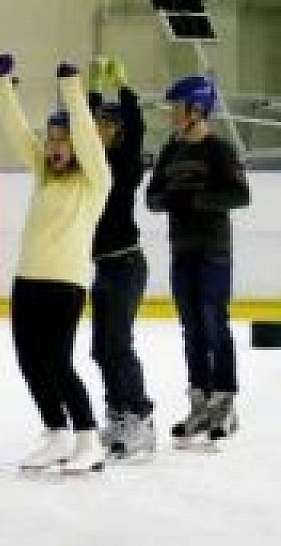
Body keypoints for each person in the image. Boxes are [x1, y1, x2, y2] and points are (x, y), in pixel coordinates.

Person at [0, 55, 111, 473]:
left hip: (65, 283)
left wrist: (72, 87)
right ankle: (57, 433)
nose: (53, 146)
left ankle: (88, 439)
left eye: (62, 140)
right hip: (27, 280)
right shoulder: (45, 175)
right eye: (50, 139)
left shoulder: (94, 180)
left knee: (58, 362)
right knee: (28, 359)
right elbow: (17, 131)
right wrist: (3, 85)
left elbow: (88, 136)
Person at [145, 74, 250, 446]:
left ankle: (225, 402)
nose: (172, 114)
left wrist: (196, 200)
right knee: (191, 329)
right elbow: (152, 197)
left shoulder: (220, 150)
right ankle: (200, 402)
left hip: (213, 252)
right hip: (182, 251)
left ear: (197, 109)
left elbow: (240, 194)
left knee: (214, 325)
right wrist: (166, 202)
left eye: (178, 107)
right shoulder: (170, 151)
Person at [86, 57, 155, 458]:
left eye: (106, 125)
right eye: (97, 124)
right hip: (104, 267)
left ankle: (140, 416)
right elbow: (82, 127)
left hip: (126, 264)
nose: (98, 130)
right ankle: (117, 412)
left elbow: (138, 128)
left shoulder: (125, 166)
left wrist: (124, 89)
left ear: (117, 131)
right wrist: (93, 91)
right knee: (101, 347)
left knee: (118, 344)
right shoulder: (92, 167)